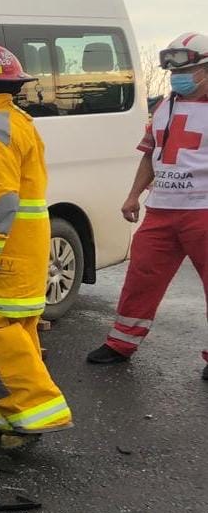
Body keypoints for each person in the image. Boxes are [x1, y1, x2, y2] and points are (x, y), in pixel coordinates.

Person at [0, 45, 73, 450]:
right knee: (16, 335)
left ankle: (34, 413)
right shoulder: (10, 120)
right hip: (21, 252)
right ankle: (4, 412)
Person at [87, 32, 208, 381]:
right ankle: (120, 343)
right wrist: (133, 195)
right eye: (171, 73)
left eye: (187, 71)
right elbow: (151, 155)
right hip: (162, 209)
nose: (177, 79)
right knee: (141, 277)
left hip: (202, 211)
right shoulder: (164, 107)